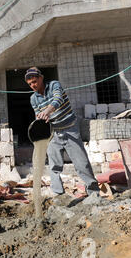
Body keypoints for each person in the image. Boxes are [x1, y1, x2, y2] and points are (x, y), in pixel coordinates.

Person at [25, 67, 100, 197]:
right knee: (54, 166)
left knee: (81, 163)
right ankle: (59, 195)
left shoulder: (54, 85)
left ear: (41, 78)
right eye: (30, 84)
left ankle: (94, 193)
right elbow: (38, 114)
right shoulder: (33, 99)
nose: (33, 85)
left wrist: (47, 111)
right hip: (53, 133)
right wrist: (41, 119)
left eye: (35, 81)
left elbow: (58, 99)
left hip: (70, 128)